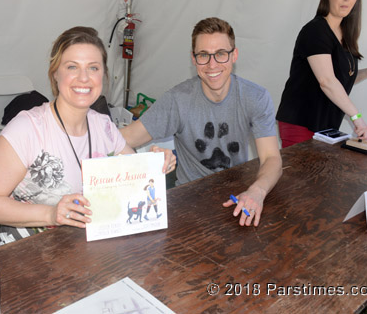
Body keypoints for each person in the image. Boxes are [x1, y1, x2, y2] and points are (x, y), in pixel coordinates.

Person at [0, 26, 175, 245]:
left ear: (103, 75)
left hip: (86, 247)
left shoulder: (103, 126)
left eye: (93, 68)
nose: (83, 78)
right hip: (29, 252)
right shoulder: (27, 129)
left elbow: (134, 179)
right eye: (72, 67)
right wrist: (51, 215)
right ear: (55, 74)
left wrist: (155, 165)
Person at [121, 17, 282, 227]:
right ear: (193, 59)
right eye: (203, 55)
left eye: (221, 54)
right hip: (190, 202)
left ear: (234, 55)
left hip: (239, 196)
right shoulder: (177, 100)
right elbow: (118, 141)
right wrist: (146, 161)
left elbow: (272, 158)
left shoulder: (255, 97)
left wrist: (257, 191)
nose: (212, 64)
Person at [276, 0, 367, 148]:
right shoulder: (316, 30)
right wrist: (357, 119)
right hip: (301, 122)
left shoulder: (346, 34)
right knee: (301, 175)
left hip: (326, 128)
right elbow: (327, 81)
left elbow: (340, 79)